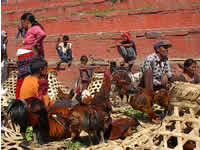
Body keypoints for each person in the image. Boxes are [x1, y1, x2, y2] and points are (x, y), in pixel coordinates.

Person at [16, 12, 46, 99]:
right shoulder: (29, 30)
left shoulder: (35, 28)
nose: (21, 25)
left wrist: (34, 44)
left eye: (22, 23)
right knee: (23, 78)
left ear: (26, 21)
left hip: (30, 55)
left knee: (26, 77)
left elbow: (43, 34)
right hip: (26, 56)